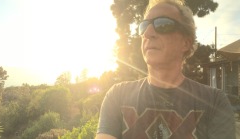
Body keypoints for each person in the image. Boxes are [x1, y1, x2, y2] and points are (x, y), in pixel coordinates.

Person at [95, 0, 236, 138]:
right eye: (144, 26)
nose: (148, 33)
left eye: (162, 24)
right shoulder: (117, 96)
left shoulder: (214, 102)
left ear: (186, 43)